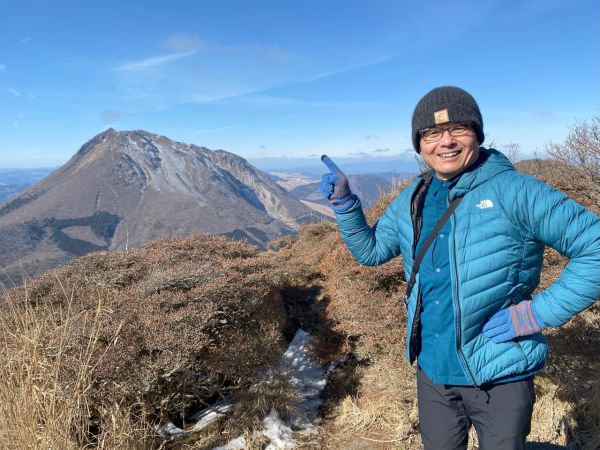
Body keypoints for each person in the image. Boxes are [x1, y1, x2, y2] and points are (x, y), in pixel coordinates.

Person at [319, 86, 600, 450]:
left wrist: (536, 314)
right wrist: (344, 204)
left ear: (478, 136)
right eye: (432, 133)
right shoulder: (414, 196)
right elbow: (371, 252)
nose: (446, 142)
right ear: (419, 145)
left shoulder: (515, 191)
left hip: (498, 374)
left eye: (459, 130)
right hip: (433, 372)